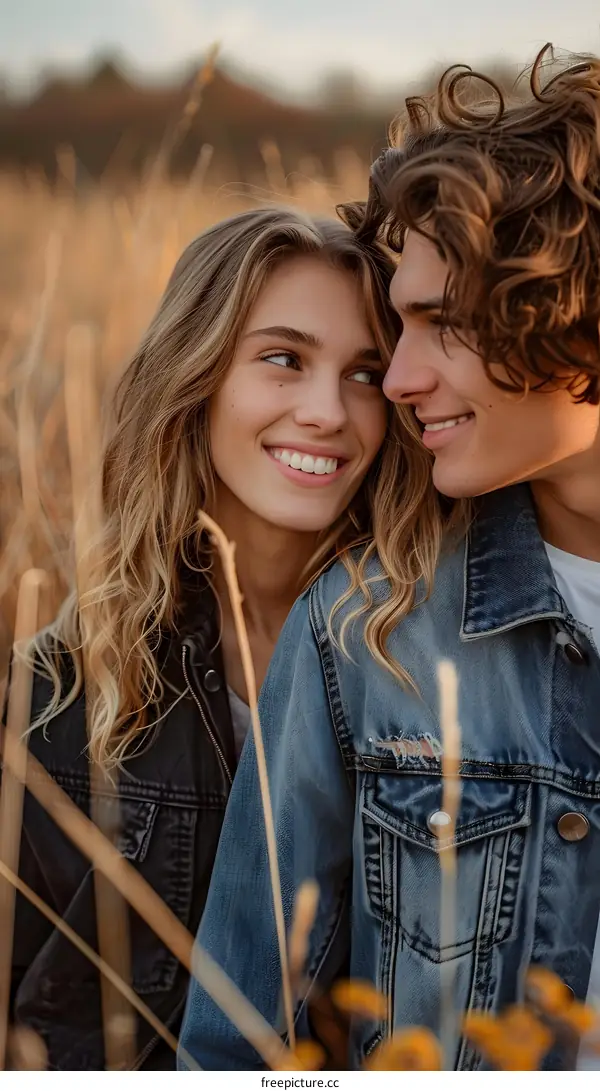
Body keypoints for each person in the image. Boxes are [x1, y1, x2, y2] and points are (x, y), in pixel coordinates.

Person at [178, 49, 600, 1072]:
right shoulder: (366, 636)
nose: (397, 381)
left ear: (578, 318)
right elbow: (236, 1046)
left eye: (442, 324)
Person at [3, 206, 407, 1070]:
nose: (327, 411)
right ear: (197, 374)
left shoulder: (421, 672)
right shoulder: (54, 701)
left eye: (366, 372)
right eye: (283, 359)